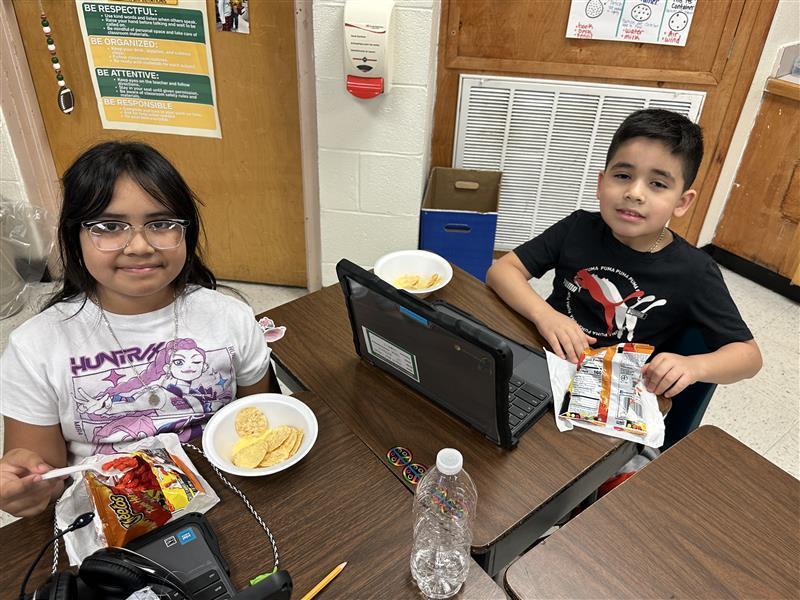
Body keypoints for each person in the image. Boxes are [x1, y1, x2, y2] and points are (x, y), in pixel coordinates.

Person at [0, 141, 275, 517]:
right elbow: (44, 472)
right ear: (75, 237)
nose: (140, 245)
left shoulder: (230, 316)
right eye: (110, 227)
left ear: (186, 233)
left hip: (230, 496)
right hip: (115, 514)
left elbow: (256, 418)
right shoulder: (36, 346)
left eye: (161, 224)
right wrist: (28, 483)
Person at [486, 108, 761, 400]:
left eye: (657, 183)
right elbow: (502, 271)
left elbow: (749, 357)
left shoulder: (695, 271)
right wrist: (544, 314)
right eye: (623, 175)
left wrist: (694, 366)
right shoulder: (578, 227)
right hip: (538, 357)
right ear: (601, 184)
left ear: (681, 202)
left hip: (609, 389)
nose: (635, 192)